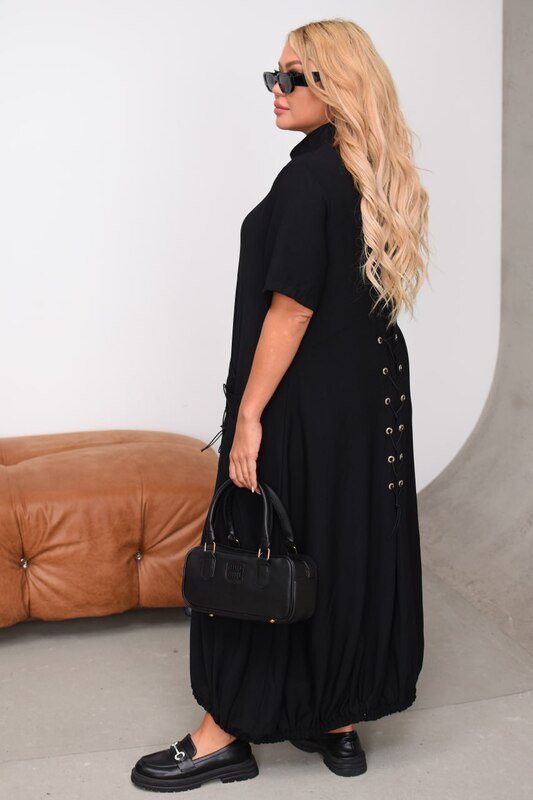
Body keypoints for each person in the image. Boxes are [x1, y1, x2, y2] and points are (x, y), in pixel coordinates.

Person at [131, 17, 429, 793]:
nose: (277, 88)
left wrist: (248, 416)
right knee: (341, 541)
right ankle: (337, 720)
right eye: (275, 74)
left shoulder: (307, 180)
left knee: (254, 546)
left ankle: (220, 735)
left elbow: (290, 311)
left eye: (293, 75)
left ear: (335, 85)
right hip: (366, 399)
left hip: (301, 399)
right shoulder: (366, 171)